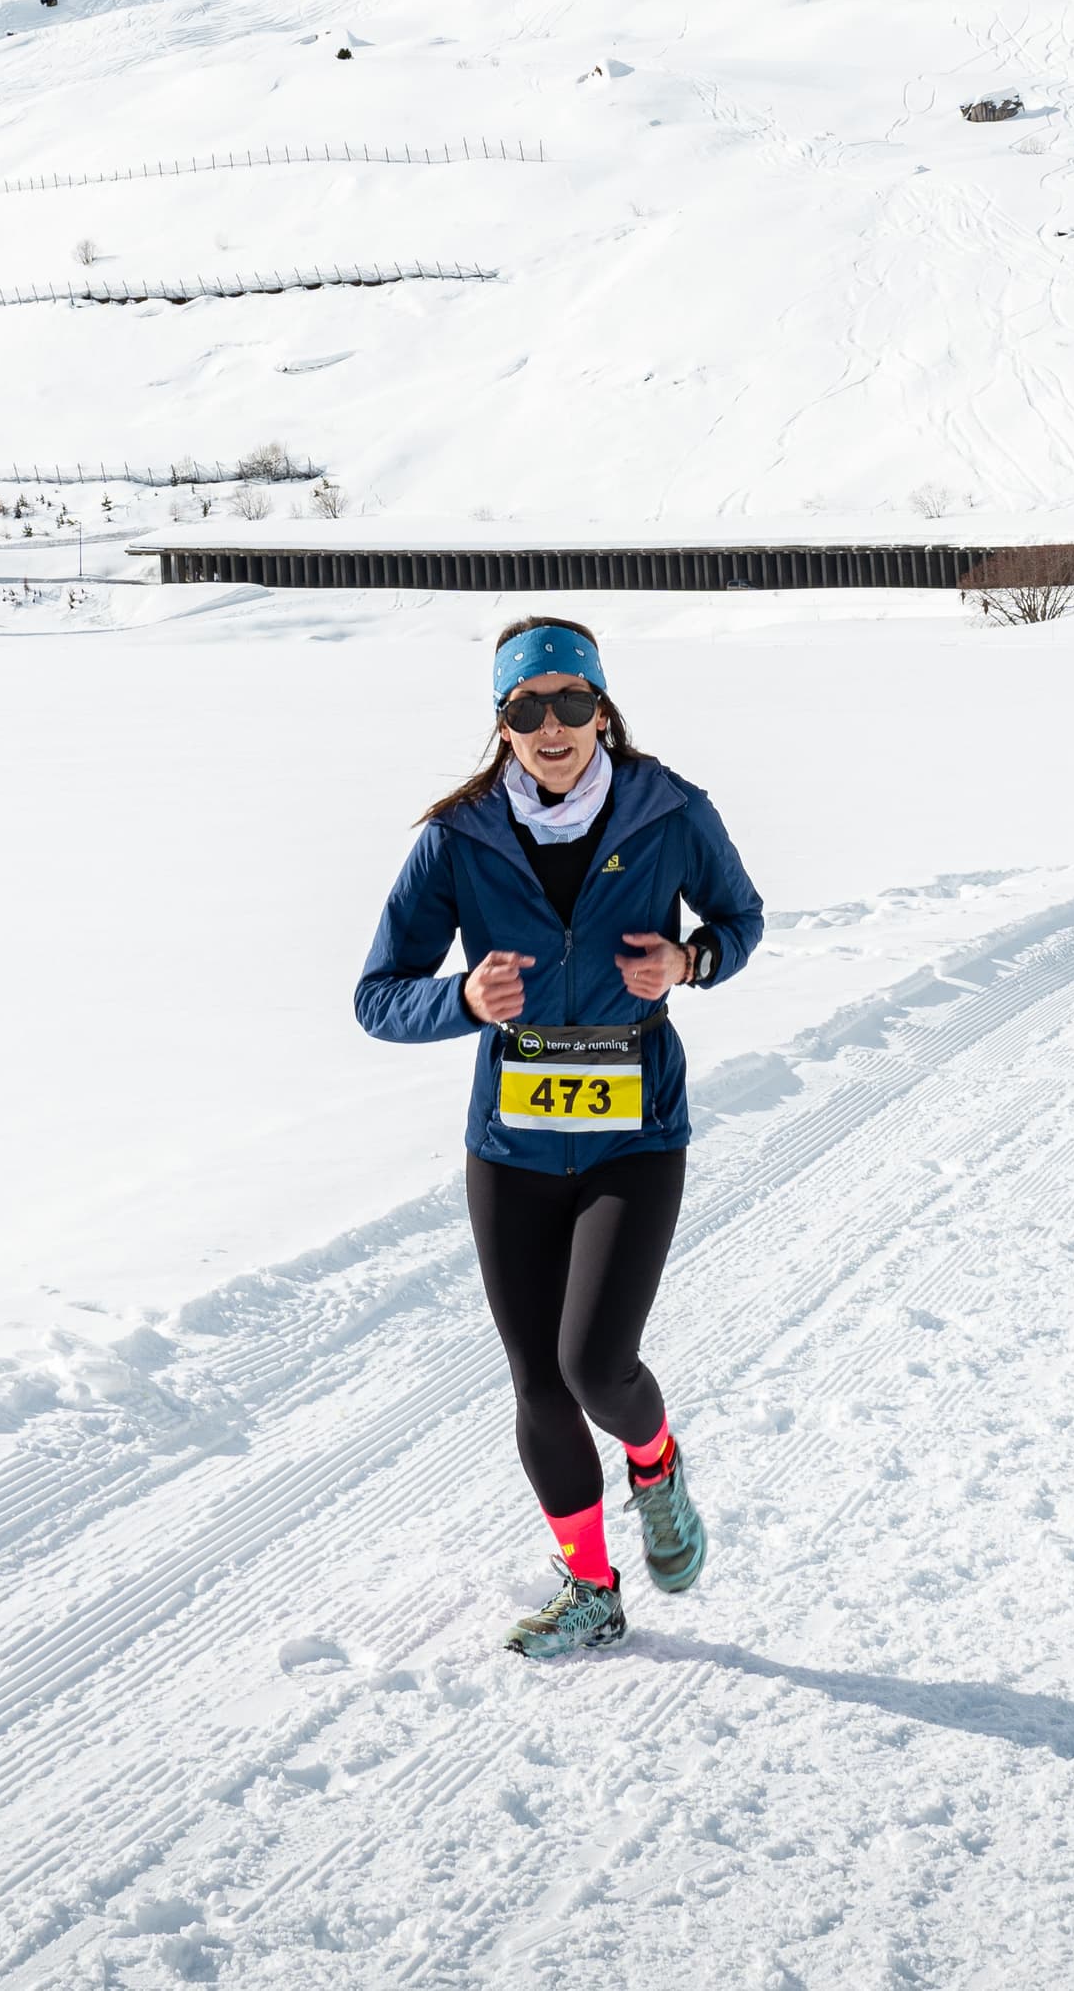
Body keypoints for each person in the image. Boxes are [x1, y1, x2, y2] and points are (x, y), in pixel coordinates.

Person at [356, 617, 765, 1660]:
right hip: (512, 1148)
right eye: (526, 709)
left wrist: (689, 963)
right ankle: (589, 1584)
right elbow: (377, 995)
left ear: (602, 708)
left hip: (636, 1130)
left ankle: (657, 1459)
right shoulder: (459, 837)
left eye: (570, 704)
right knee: (536, 1378)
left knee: (594, 1364)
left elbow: (740, 917)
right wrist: (461, 1000)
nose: (551, 727)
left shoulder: (669, 810)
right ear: (501, 723)